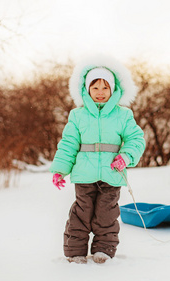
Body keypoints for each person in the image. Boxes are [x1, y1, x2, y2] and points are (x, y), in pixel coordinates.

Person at [50, 54, 146, 264]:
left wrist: (126, 156)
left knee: (106, 214)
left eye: (105, 88)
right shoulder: (78, 115)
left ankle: (103, 249)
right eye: (95, 88)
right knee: (81, 213)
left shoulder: (123, 115)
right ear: (86, 90)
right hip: (85, 173)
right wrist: (60, 169)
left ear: (113, 90)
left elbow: (136, 139)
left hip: (112, 173)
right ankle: (75, 251)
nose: (100, 93)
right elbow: (68, 144)